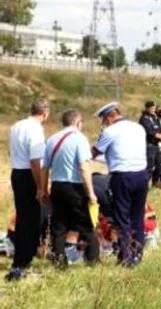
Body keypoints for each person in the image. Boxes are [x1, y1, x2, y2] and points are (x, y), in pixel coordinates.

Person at [92, 102, 149, 267]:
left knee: (122, 216)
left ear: (109, 117)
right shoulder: (138, 128)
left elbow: (94, 153)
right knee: (137, 216)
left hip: (123, 177)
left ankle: (126, 257)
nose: (104, 124)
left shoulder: (110, 131)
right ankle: (138, 253)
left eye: (103, 120)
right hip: (142, 175)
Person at [40, 109, 99, 268]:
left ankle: (60, 262)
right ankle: (93, 260)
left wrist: (43, 190)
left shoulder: (52, 139)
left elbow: (44, 168)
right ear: (78, 123)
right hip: (75, 187)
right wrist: (91, 193)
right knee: (86, 224)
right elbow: (84, 168)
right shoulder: (79, 139)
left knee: (59, 227)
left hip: (57, 187)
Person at [5, 99, 49, 282]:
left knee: (22, 216)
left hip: (16, 172)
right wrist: (40, 186)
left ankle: (20, 257)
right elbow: (35, 160)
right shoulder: (36, 130)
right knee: (31, 219)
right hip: (28, 174)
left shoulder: (17, 126)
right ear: (45, 113)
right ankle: (24, 260)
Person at [139, 101, 161, 186]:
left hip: (156, 145)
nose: (154, 109)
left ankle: (155, 184)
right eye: (152, 108)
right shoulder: (144, 118)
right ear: (147, 108)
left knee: (160, 165)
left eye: (154, 108)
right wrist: (158, 136)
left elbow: (160, 128)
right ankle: (143, 186)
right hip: (148, 145)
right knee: (149, 167)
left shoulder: (155, 117)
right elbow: (149, 131)